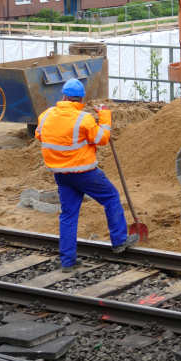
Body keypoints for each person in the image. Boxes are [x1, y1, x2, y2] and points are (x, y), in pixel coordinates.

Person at [35, 78, 138, 272]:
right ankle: (119, 241)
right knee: (111, 197)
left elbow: (40, 135)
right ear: (81, 99)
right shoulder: (84, 119)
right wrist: (105, 116)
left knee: (68, 215)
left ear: (63, 96)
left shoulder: (46, 115)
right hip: (84, 173)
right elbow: (102, 139)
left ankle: (67, 261)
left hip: (61, 174)